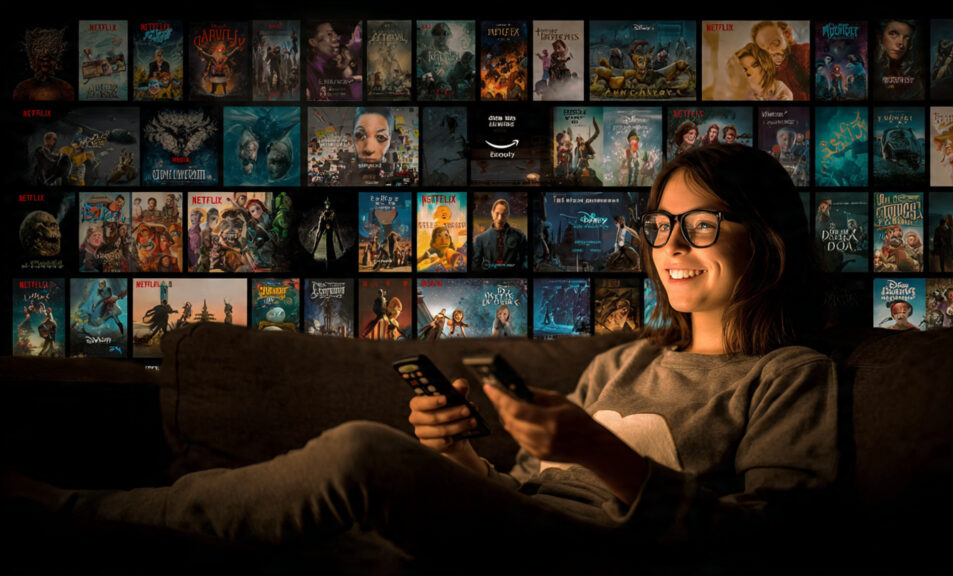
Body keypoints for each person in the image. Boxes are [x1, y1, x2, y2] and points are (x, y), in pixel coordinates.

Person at [5, 144, 836, 574]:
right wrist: (459, 454)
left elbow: (769, 549)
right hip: (524, 529)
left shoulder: (791, 377)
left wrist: (596, 450)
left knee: (361, 451)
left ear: (764, 238)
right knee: (370, 477)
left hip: (600, 559)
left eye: (700, 225)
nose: (671, 247)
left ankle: (78, 514)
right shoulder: (622, 365)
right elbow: (514, 496)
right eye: (659, 225)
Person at [472, 198, 527, 271]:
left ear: (508, 215)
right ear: (492, 213)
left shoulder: (519, 236)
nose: (500, 218)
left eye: (503, 214)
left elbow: (525, 260)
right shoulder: (481, 239)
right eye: (497, 213)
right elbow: (476, 265)